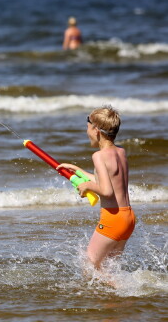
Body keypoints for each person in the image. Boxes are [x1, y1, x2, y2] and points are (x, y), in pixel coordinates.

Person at [57, 106, 134, 270]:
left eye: (87, 128)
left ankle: (123, 293)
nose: (86, 132)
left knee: (90, 266)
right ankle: (124, 294)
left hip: (112, 219)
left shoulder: (98, 156)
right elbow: (110, 182)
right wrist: (79, 171)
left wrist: (87, 185)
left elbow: (106, 191)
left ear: (96, 130)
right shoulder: (121, 152)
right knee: (108, 268)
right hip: (128, 218)